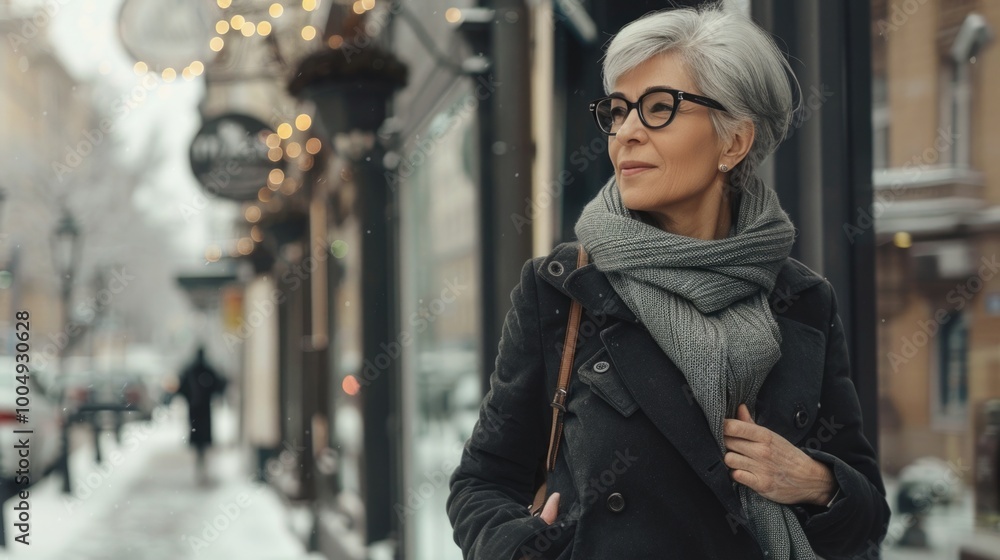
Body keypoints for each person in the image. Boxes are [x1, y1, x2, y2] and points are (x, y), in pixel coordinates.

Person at [446, 5, 890, 560]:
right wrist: (526, 549)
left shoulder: (800, 301)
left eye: (659, 109)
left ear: (734, 142)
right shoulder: (564, 288)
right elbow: (481, 482)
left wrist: (815, 482)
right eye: (618, 110)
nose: (626, 132)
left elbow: (869, 515)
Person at [175, 345, 228, 482]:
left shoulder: (191, 370)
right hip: (204, 410)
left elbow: (181, 388)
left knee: (198, 437)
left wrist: (190, 398)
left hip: (195, 410)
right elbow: (219, 385)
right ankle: (201, 464)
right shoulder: (207, 369)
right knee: (202, 439)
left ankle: (200, 464)